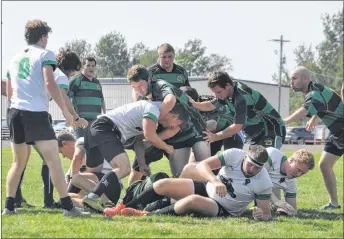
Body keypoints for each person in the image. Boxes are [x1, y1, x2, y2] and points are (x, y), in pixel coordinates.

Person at [3, 19, 87, 217]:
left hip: (14, 112)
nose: (48, 40)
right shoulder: (45, 54)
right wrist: (67, 113)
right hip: (35, 113)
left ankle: (9, 207)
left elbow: (8, 89)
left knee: (18, 162)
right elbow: (51, 84)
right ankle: (68, 208)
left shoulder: (14, 57)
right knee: (53, 161)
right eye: (47, 36)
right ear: (42, 37)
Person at [106, 145, 273, 221]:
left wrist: (261, 215)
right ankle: (122, 207)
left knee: (192, 201)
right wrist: (214, 180)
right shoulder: (235, 154)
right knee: (162, 184)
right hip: (208, 187)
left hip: (223, 209)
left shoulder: (264, 181)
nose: (252, 169)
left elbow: (266, 213)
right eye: (250, 164)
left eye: (257, 168)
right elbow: (202, 165)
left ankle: (147, 216)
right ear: (245, 157)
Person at [81, 100, 188, 212]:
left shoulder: (152, 115)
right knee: (124, 168)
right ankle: (92, 197)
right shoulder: (154, 109)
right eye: (177, 124)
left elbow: (139, 142)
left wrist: (142, 164)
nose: (174, 127)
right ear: (175, 116)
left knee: (94, 173)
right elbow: (149, 136)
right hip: (105, 128)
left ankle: (76, 198)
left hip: (95, 127)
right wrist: (167, 148)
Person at [127, 65, 210, 179]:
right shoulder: (142, 98)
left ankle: (208, 193)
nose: (139, 90)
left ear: (149, 79)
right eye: (134, 87)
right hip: (176, 135)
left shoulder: (160, 86)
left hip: (197, 130)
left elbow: (170, 100)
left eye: (140, 85)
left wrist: (155, 119)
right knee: (179, 177)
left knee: (203, 170)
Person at [283, 66, 343, 210]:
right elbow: (322, 105)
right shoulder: (317, 90)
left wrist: (282, 122)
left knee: (325, 165)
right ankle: (334, 203)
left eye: (294, 78)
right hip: (339, 134)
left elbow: (303, 112)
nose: (291, 82)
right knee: (324, 165)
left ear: (305, 78)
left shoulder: (314, 93)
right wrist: (315, 118)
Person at [189, 71, 286, 149]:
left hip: (272, 129)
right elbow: (211, 105)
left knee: (264, 164)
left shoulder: (241, 97)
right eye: (215, 93)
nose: (217, 96)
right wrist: (195, 104)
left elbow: (237, 126)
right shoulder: (228, 92)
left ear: (227, 85)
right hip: (257, 134)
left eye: (218, 92)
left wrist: (215, 137)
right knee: (252, 167)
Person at [265, 147, 315, 216]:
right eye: (298, 170)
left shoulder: (291, 182)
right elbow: (257, 176)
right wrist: (276, 201)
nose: (298, 174)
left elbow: (292, 209)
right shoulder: (273, 155)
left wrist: (286, 209)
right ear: (291, 160)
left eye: (302, 173)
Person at [68, 57, 106, 138]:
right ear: (82, 67)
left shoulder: (97, 82)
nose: (91, 68)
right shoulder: (77, 80)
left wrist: (104, 114)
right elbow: (67, 97)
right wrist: (75, 116)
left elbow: (101, 99)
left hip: (95, 122)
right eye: (88, 65)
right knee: (82, 146)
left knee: (95, 148)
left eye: (93, 65)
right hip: (81, 121)